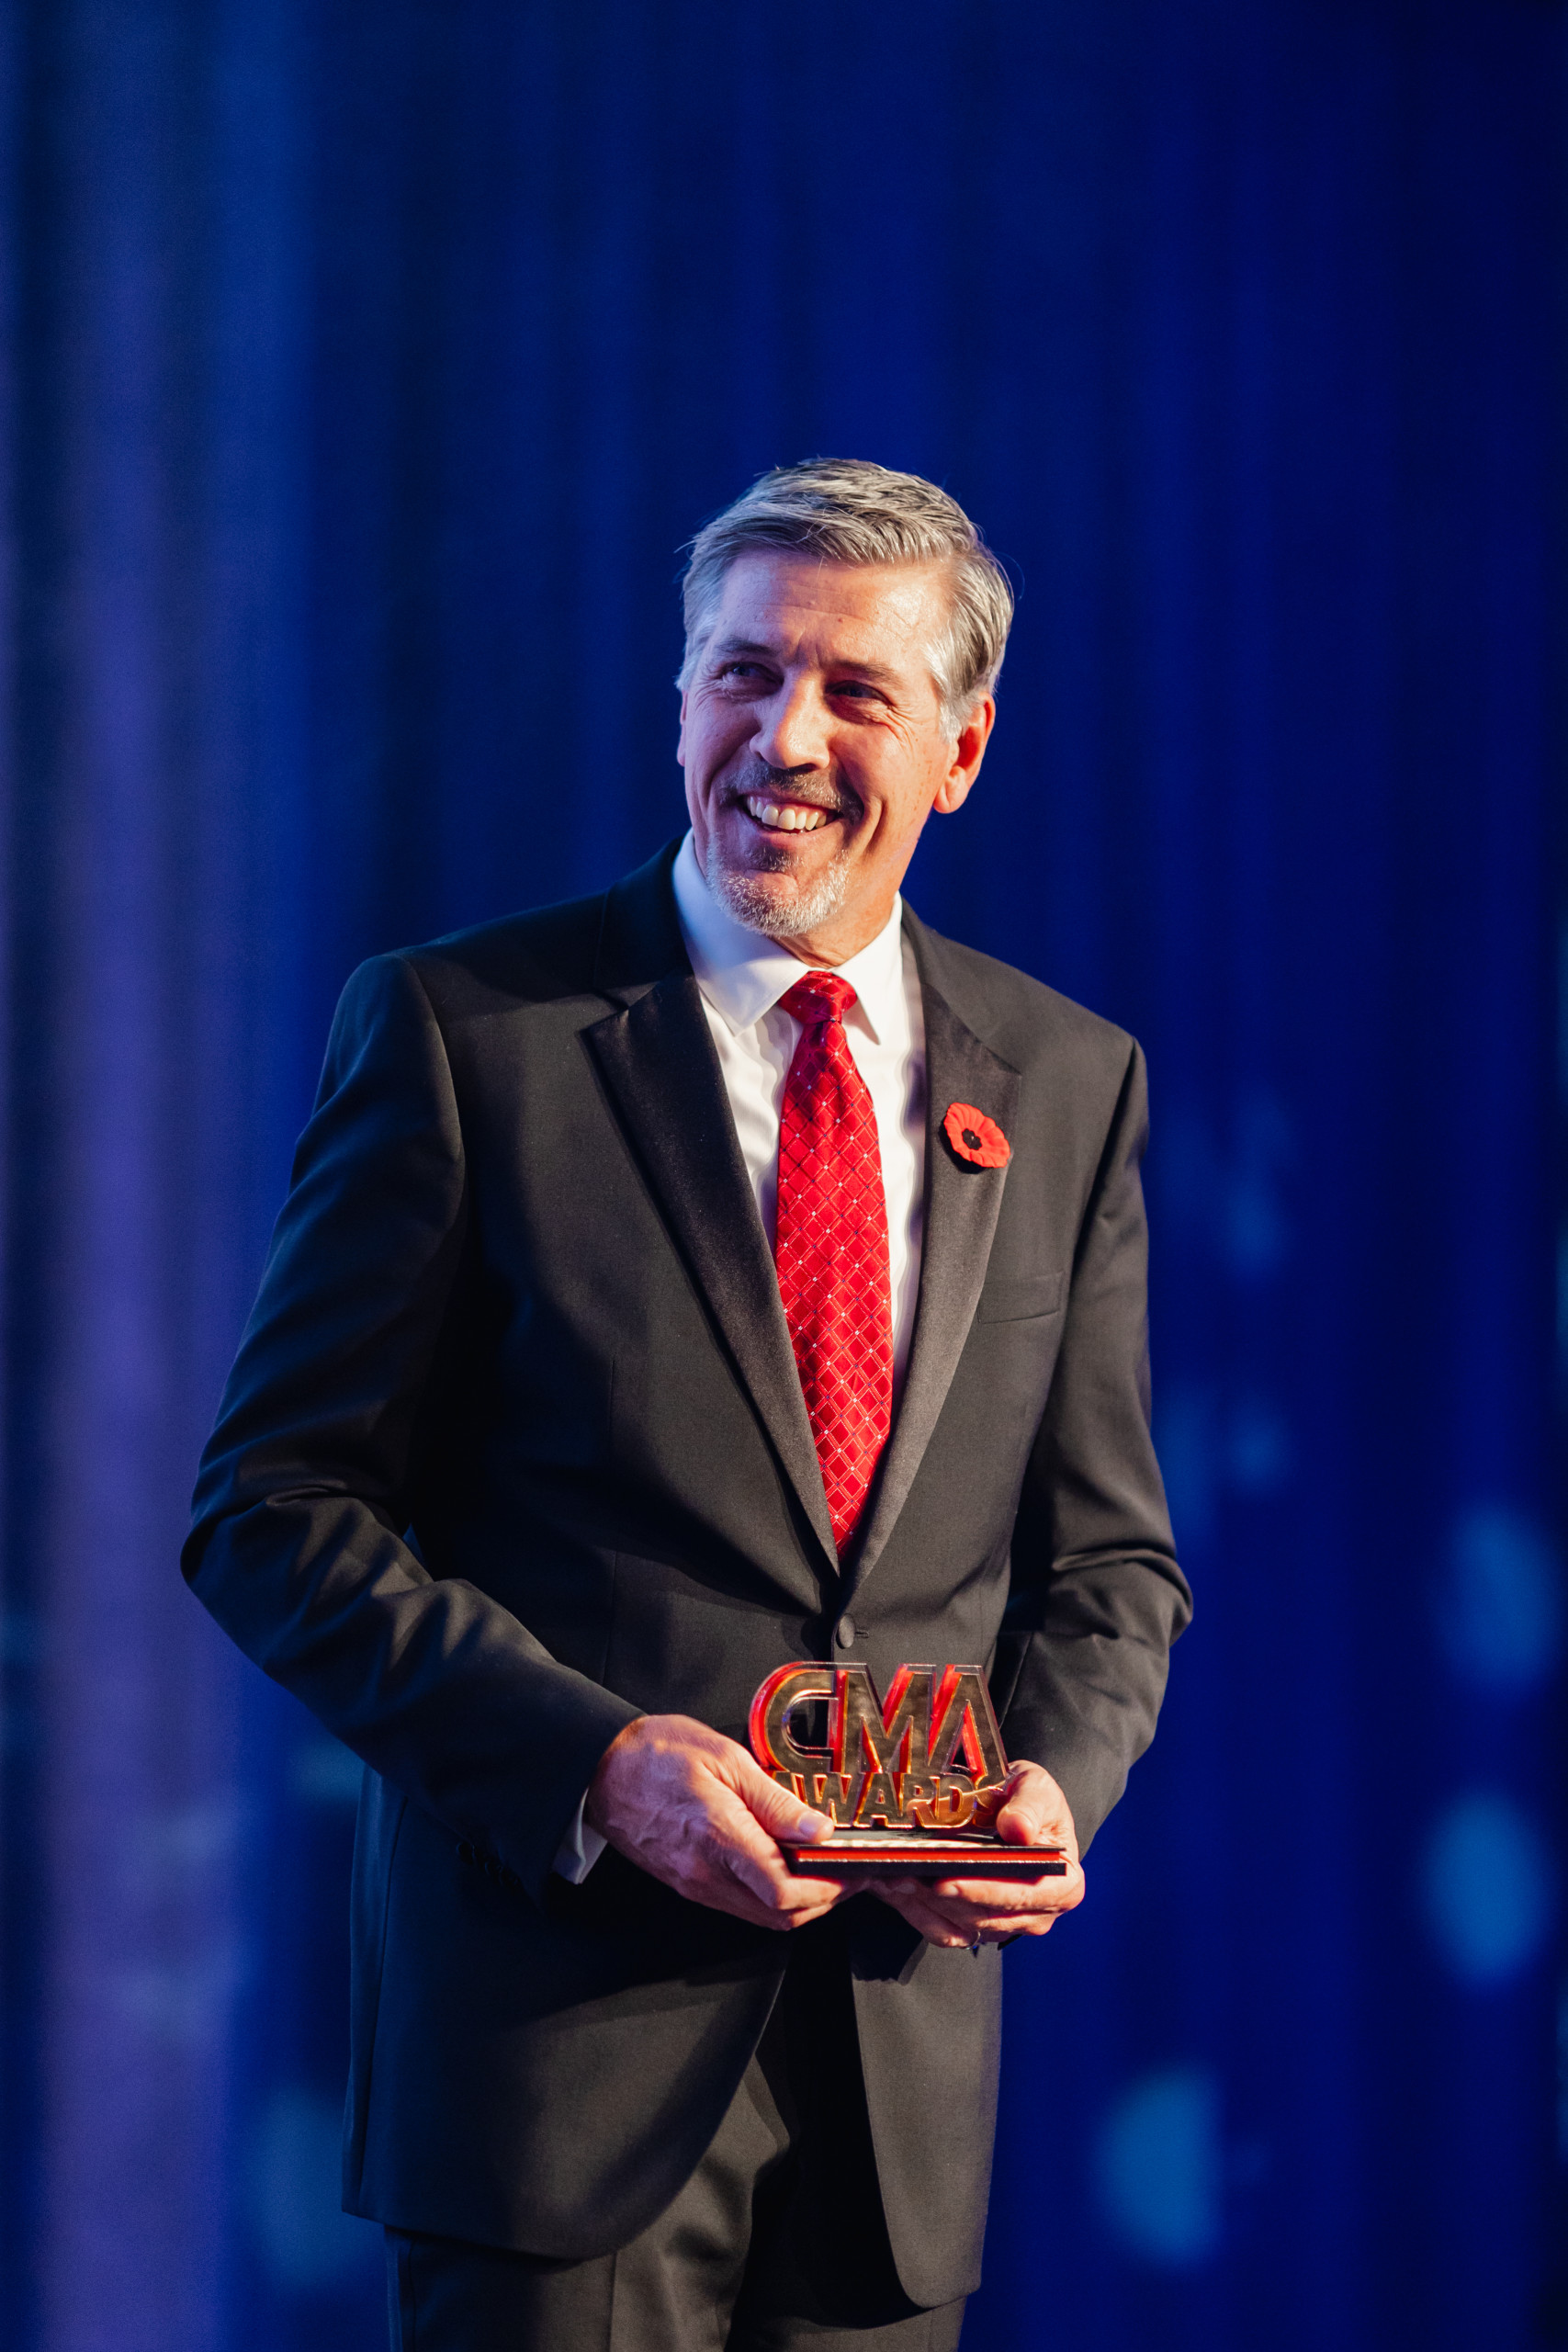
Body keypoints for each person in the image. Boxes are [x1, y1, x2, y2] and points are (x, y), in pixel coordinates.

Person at [186, 458, 1190, 2351]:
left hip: (891, 2098)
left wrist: (1052, 1774)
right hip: (549, 2086)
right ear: (676, 706)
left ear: (961, 749)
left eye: (851, 691)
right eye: (738, 675)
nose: (781, 736)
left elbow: (1110, 1556)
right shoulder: (461, 1032)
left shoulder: (1065, 1082)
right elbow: (273, 1507)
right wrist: (589, 1761)